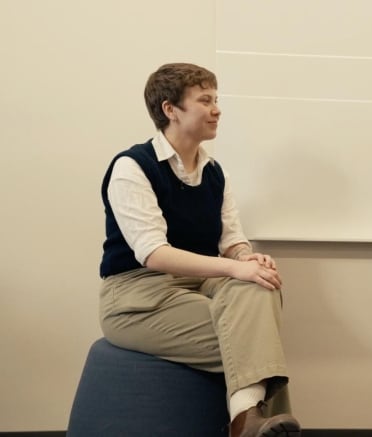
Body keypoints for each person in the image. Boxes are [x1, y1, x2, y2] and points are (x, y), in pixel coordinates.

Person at [98, 63, 301, 437]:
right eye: (205, 100)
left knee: (259, 286)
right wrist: (234, 268)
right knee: (255, 338)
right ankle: (249, 422)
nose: (217, 109)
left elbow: (231, 241)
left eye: (216, 100)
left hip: (198, 286)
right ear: (170, 109)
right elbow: (153, 253)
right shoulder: (132, 167)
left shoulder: (214, 172)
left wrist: (246, 258)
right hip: (138, 295)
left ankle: (245, 422)